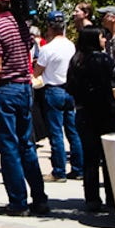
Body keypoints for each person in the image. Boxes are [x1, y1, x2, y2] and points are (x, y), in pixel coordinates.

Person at [0, 0, 50, 217]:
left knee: (8, 147)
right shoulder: (20, 25)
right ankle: (39, 198)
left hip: (7, 91)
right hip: (24, 88)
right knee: (26, 144)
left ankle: (18, 202)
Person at [65, 25, 115, 211]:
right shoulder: (103, 59)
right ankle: (112, 197)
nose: (105, 40)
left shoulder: (76, 60)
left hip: (84, 112)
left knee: (90, 157)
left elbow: (70, 86)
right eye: (101, 37)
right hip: (106, 112)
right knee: (108, 158)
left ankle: (91, 198)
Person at [36, 12, 83, 182]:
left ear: (49, 27)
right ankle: (78, 168)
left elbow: (37, 72)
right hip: (70, 90)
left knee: (55, 132)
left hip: (53, 90)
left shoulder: (47, 49)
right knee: (72, 130)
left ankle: (59, 170)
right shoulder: (71, 46)